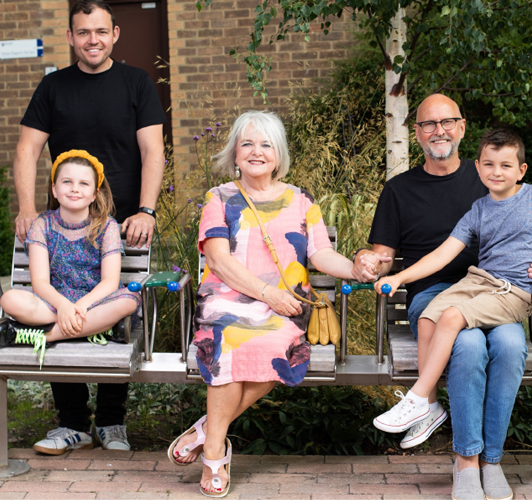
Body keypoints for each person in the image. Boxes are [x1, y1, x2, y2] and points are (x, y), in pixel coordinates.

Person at [352, 94, 532, 500]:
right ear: (417, 134)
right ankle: (466, 463)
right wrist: (367, 260)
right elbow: (384, 254)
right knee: (470, 346)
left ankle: (492, 461)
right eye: (428, 124)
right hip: (435, 294)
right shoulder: (400, 189)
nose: (438, 130)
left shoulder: (489, 176)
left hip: (497, 292)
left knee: (512, 347)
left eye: (447, 122)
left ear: (461, 128)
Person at [167, 110, 357, 496]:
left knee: (277, 347)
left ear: (279, 154)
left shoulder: (301, 199)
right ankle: (215, 453)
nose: (256, 151)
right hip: (227, 301)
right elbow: (219, 260)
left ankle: (205, 430)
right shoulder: (218, 199)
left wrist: (358, 270)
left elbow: (321, 254)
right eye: (247, 143)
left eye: (266, 144)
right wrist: (267, 293)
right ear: (235, 153)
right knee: (229, 342)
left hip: (283, 308)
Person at [12, 0, 165, 453]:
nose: (92, 40)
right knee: (61, 300)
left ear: (115, 34)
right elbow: (26, 151)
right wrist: (25, 209)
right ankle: (73, 423)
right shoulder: (53, 87)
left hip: (121, 225)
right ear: (72, 37)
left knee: (119, 308)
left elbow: (152, 152)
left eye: (100, 31)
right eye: (83, 32)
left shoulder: (136, 82)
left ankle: (112, 422)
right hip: (61, 224)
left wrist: (147, 210)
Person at [373, 129, 532, 437]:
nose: (497, 172)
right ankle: (428, 403)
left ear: (521, 170)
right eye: (489, 165)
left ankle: (416, 397)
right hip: (480, 282)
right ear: (477, 167)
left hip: (514, 290)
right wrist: (399, 276)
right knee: (428, 317)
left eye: (506, 165)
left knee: (452, 316)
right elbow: (443, 254)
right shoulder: (479, 209)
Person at [0, 151, 141, 378]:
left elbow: (109, 282)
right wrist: (64, 306)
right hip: (55, 302)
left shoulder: (107, 226)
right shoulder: (42, 225)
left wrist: (81, 306)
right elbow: (40, 283)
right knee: (9, 299)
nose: (75, 188)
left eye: (83, 183)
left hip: (96, 302)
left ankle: (48, 335)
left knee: (129, 301)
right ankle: (98, 328)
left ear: (94, 194)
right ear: (55, 190)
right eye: (67, 182)